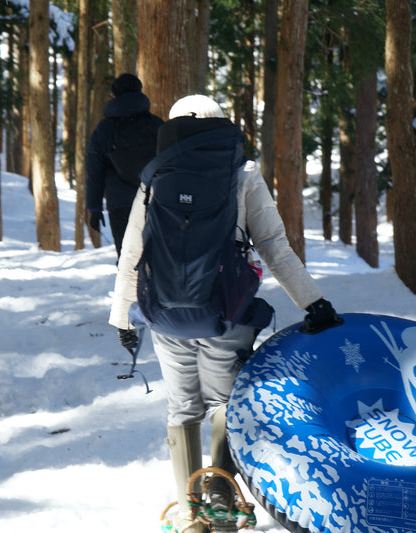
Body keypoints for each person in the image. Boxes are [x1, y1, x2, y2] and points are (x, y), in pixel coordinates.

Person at [109, 95, 341, 533]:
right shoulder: (243, 173)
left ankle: (189, 512)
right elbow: (273, 245)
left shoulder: (153, 176)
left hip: (163, 313)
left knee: (182, 408)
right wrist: (313, 302)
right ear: (221, 126)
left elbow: (132, 251)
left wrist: (123, 317)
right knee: (223, 403)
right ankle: (220, 500)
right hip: (227, 311)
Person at [85, 73, 163, 258]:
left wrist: (94, 208)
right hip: (156, 200)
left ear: (114, 95)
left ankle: (131, 287)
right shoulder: (157, 125)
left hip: (120, 203)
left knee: (128, 258)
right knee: (158, 259)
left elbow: (95, 170)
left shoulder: (104, 129)